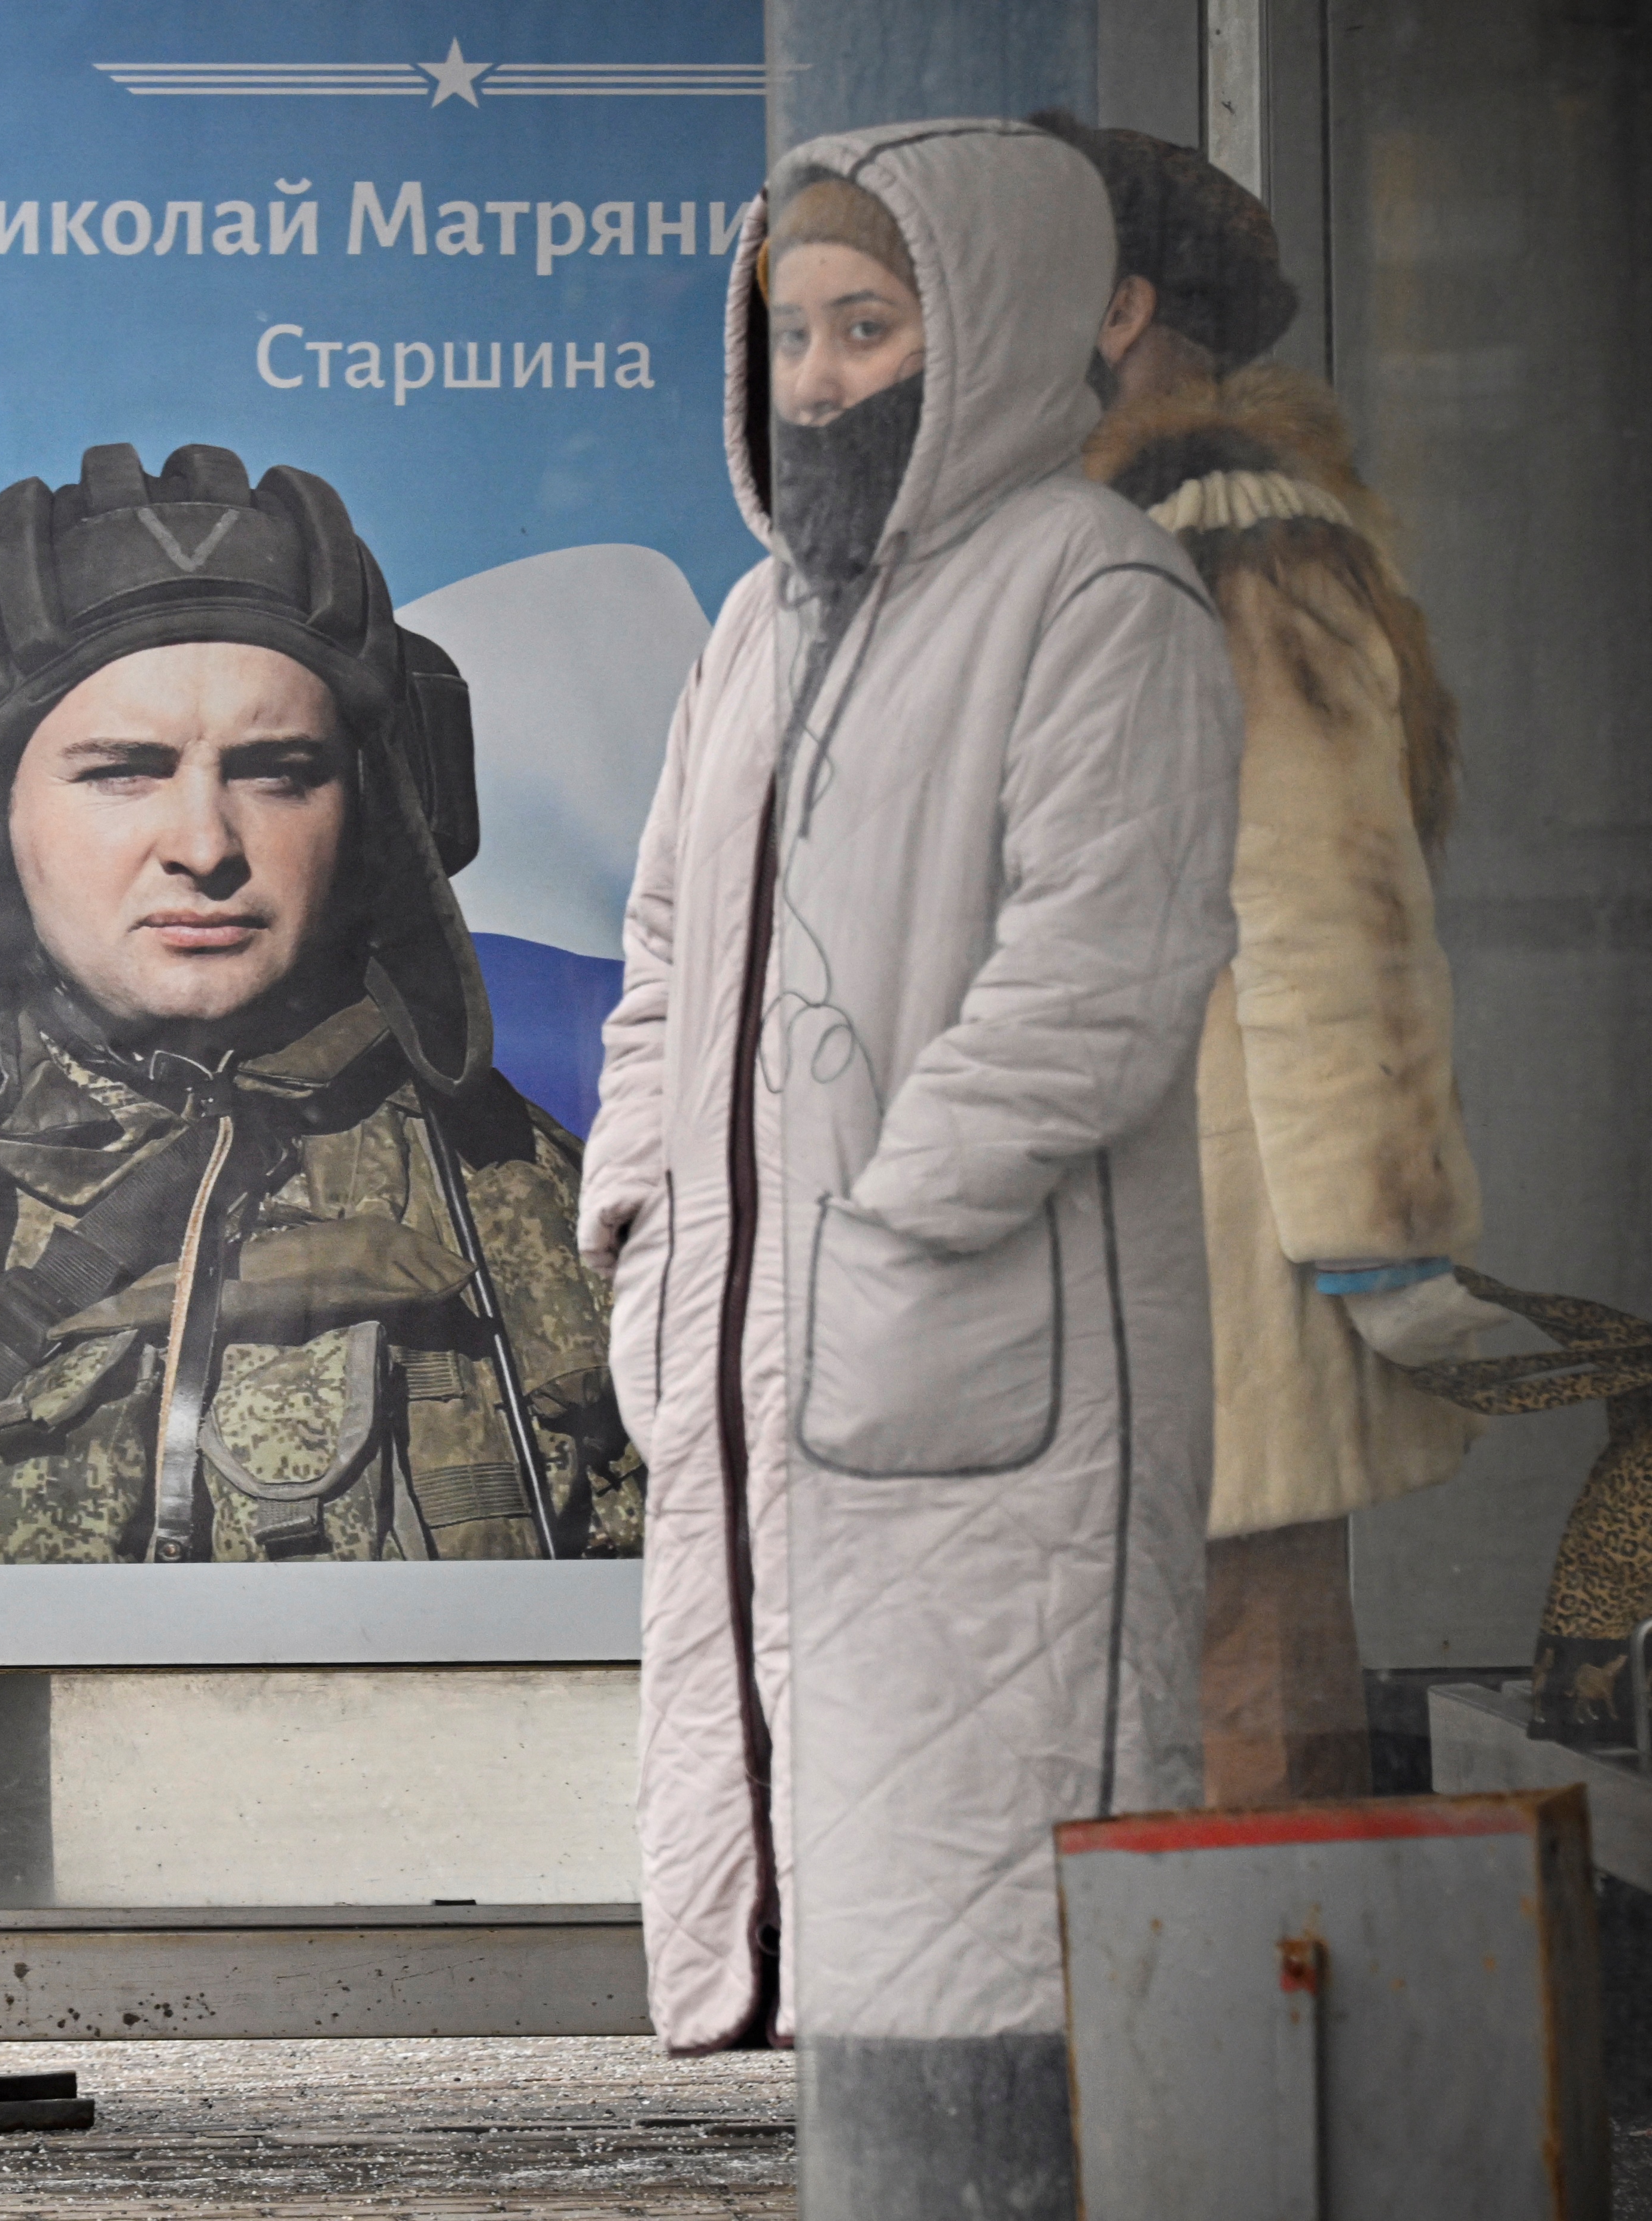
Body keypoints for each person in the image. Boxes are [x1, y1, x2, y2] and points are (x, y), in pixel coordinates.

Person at [578, 126, 1239, 2210]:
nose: (817, 378)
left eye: (870, 327)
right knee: (841, 1904)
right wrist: (646, 1226)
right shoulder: (758, 630)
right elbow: (665, 956)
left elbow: (1096, 974)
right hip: (774, 1372)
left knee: (1002, 1935)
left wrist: (875, 1236)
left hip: (981, 1375)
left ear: (1005, 333)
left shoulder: (1095, 592)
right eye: (789, 332)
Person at [0, 441, 632, 1568]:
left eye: (278, 770)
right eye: (122, 770)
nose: (204, 847)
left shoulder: (522, 1198)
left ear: (374, 814)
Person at [1038, 113, 1509, 1800]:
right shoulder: (1090, 539)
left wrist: (1377, 1250)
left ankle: (1232, 2069)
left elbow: (1328, 905)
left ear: (1116, 314)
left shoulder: (1228, 534)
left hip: (1232, 1234)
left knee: (1243, 1721)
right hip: (1144, 1231)